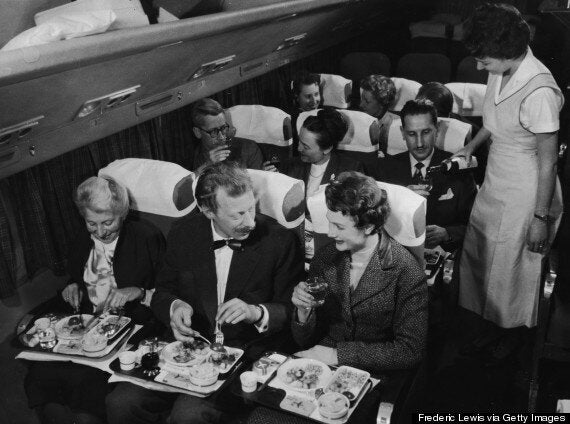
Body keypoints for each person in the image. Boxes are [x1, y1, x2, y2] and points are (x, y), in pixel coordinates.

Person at [106, 161, 304, 424]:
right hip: (185, 348)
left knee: (188, 416)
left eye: (251, 209)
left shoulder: (279, 241)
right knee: (121, 403)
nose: (251, 222)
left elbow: (292, 310)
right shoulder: (184, 233)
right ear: (207, 210)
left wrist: (256, 312)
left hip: (242, 355)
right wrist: (174, 307)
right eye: (237, 215)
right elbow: (164, 290)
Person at [245, 171, 427, 424]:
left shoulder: (405, 271)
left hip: (371, 377)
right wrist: (303, 312)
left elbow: (409, 350)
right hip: (317, 369)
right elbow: (304, 339)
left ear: (370, 225)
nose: (330, 233)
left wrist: (337, 355)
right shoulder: (326, 258)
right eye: (330, 222)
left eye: (339, 226)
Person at [455, 3, 564, 354]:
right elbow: (493, 119)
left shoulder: (540, 92)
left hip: (527, 189)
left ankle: (509, 340)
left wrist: (540, 219)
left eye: (484, 59)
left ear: (505, 52)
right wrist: (470, 147)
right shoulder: (500, 69)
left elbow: (548, 165)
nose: (478, 65)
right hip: (496, 178)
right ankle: (487, 325)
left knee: (510, 269)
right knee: (482, 253)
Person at [25, 176, 165, 424]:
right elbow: (79, 276)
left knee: (84, 380)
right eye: (92, 224)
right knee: (41, 372)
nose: (100, 232)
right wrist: (73, 287)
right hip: (86, 327)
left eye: (108, 222)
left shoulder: (146, 237)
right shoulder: (81, 238)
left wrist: (140, 292)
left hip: (132, 329)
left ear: (122, 214)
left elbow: (170, 293)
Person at [374, 99, 477, 251]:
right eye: (411, 134)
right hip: (396, 254)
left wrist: (447, 233)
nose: (420, 143)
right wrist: (399, 201)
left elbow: (474, 225)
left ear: (437, 129)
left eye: (426, 132)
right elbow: (372, 222)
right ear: (403, 133)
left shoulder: (458, 170)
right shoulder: (384, 170)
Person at [279, 108, 364, 197]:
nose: (299, 148)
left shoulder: (351, 172)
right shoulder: (288, 166)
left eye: (305, 146)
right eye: (299, 141)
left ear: (327, 149)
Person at [191, 98, 264, 171]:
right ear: (198, 132)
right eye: (213, 131)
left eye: (223, 128)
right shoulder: (192, 158)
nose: (222, 137)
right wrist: (207, 165)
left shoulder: (248, 148)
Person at [359, 74, 399, 154]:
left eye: (367, 101)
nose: (361, 105)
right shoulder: (357, 119)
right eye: (361, 99)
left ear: (381, 104)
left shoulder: (397, 127)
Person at [289, 72, 322, 155]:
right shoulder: (292, 122)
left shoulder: (324, 115)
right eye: (308, 96)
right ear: (297, 97)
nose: (314, 101)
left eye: (316, 94)